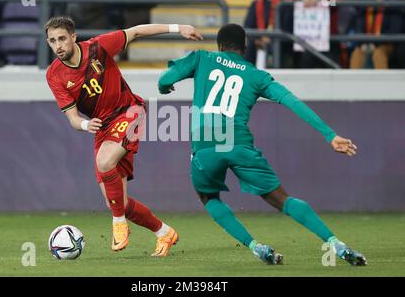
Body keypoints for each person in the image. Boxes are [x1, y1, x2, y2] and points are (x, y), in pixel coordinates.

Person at [157, 24, 367, 266]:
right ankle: (334, 242)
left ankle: (256, 246)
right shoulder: (257, 76)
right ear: (244, 49)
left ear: (220, 46)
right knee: (282, 199)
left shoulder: (202, 57)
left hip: (205, 146)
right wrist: (330, 135)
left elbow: (165, 79)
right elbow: (292, 102)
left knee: (209, 198)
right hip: (239, 143)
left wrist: (165, 87)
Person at [45, 16, 203, 256]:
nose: (58, 45)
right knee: (117, 201)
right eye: (52, 41)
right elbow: (74, 119)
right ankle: (164, 233)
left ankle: (118, 224)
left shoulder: (98, 48)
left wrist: (178, 27)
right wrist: (86, 124)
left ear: (73, 37)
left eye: (62, 39)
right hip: (103, 128)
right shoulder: (54, 75)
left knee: (105, 163)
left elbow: (136, 31)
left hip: (130, 111)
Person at [350, 0, 403, 69]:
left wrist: (375, 43)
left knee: (378, 54)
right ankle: (353, 82)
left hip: (386, 45)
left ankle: (383, 82)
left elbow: (394, 31)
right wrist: (363, 43)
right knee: (357, 53)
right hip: (366, 43)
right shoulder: (365, 8)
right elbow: (359, 28)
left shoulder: (394, 8)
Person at [243, 0, 295, 67]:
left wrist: (271, 39)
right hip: (259, 41)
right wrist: (257, 40)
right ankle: (247, 76)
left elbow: (287, 28)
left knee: (279, 48)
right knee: (249, 49)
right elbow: (248, 26)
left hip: (279, 42)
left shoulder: (285, 4)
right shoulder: (256, 3)